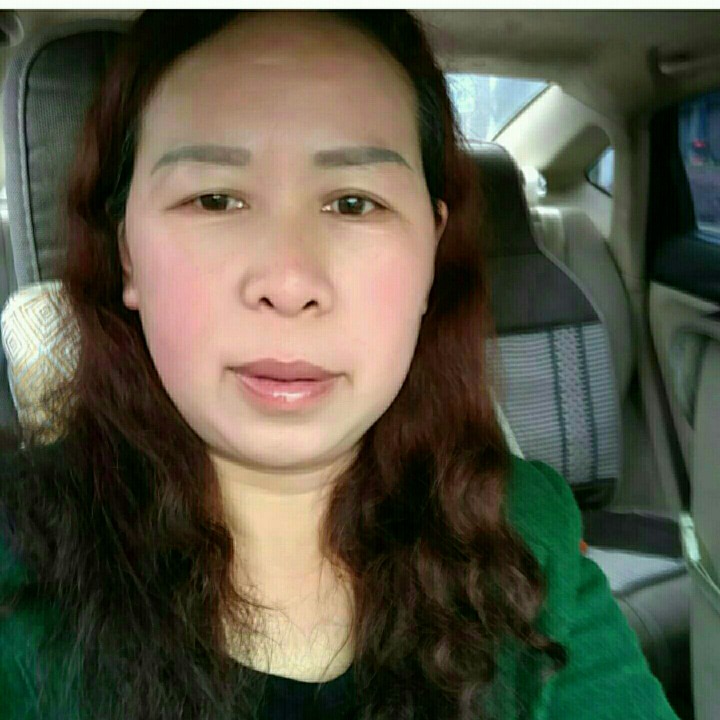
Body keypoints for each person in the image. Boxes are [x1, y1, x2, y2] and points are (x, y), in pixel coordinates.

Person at [0, 10, 681, 720]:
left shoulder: (527, 533)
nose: (290, 282)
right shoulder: (15, 562)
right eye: (215, 198)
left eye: (354, 203)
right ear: (128, 255)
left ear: (431, 255)